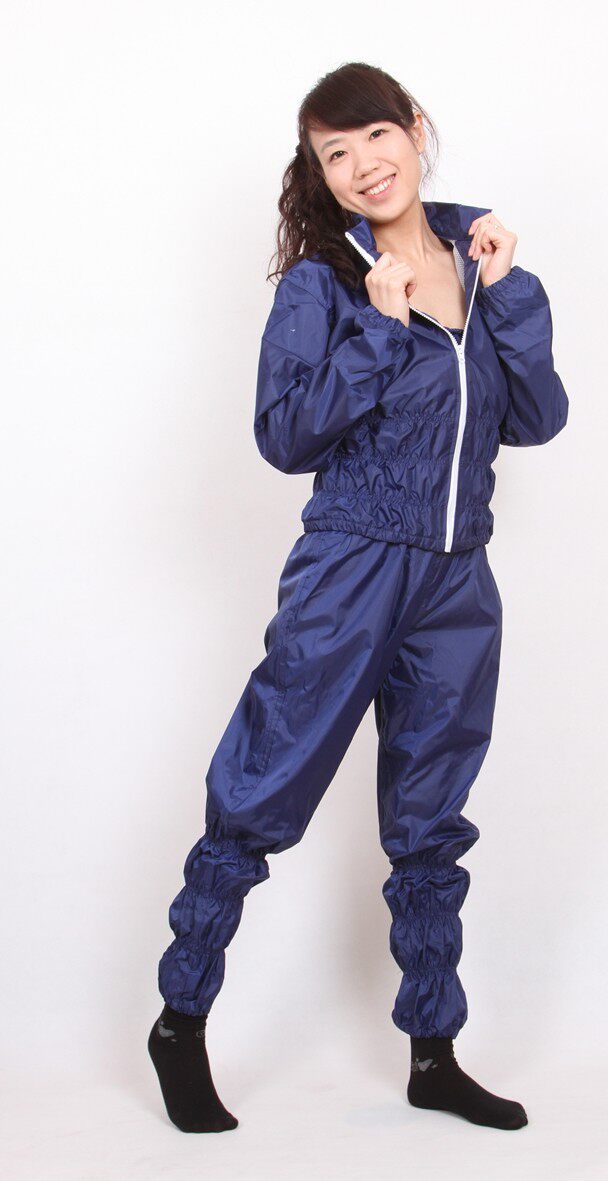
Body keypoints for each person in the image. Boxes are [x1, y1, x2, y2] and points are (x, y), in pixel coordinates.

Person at [148, 61, 569, 1134]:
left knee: (430, 819)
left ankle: (434, 1053)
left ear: (415, 130)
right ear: (323, 176)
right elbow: (284, 434)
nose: (362, 164)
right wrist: (379, 329)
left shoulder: (483, 262)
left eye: (374, 135)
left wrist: (513, 293)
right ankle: (180, 1023)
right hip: (351, 564)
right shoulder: (325, 283)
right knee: (263, 784)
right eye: (334, 154)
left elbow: (537, 418)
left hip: (458, 578)